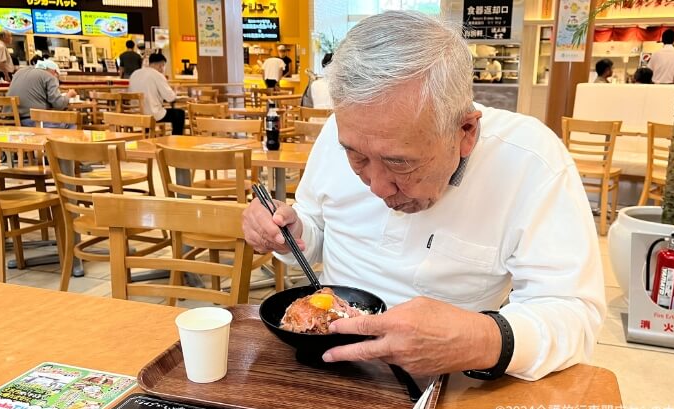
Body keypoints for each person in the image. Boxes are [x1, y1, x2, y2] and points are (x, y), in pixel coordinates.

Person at [242, 11, 605, 381]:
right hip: (327, 365)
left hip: (447, 381)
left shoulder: (530, 160)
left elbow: (573, 311)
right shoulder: (343, 130)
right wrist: (289, 232)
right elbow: (316, 232)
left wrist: (480, 340)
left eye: (399, 163)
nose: (377, 187)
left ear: (465, 131)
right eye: (357, 157)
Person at [7, 60, 77, 127]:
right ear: (55, 72)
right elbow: (59, 104)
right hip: (33, 121)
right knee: (72, 124)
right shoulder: (49, 76)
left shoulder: (20, 72)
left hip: (11, 121)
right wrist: (69, 94)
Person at [128, 53, 185, 135]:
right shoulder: (157, 75)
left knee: (157, 109)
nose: (162, 69)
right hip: (151, 114)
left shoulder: (135, 73)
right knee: (179, 114)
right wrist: (175, 90)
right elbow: (170, 98)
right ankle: (177, 140)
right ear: (160, 65)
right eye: (163, 66)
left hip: (135, 113)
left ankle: (147, 133)